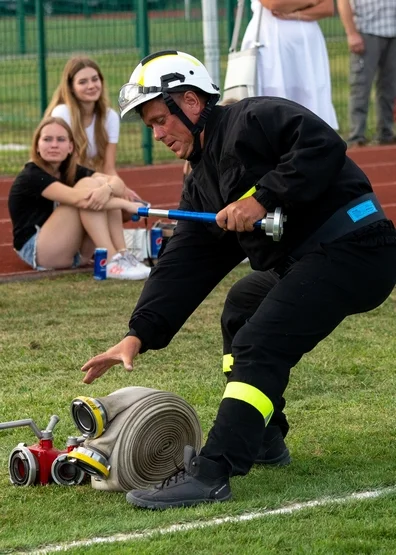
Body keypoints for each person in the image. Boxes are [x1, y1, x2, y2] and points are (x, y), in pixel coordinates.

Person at [81, 50, 396, 509]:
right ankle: (266, 436)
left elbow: (322, 144)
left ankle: (212, 472)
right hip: (310, 262)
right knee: (243, 306)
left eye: (159, 120)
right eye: (150, 126)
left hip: (358, 249)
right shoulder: (201, 179)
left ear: (190, 101)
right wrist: (138, 333)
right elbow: (186, 261)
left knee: (259, 343)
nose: (158, 134)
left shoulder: (255, 117)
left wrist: (261, 199)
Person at [8, 116, 151, 280]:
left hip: (75, 252)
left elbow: (116, 182)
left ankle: (122, 255)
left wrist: (108, 188)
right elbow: (81, 200)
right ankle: (111, 260)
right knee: (88, 189)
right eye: (47, 139)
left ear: (70, 147)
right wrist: (126, 204)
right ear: (37, 146)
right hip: (39, 251)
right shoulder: (32, 175)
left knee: (97, 184)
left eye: (60, 140)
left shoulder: (69, 169)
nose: (54, 145)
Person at [44, 55, 141, 207]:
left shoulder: (110, 117)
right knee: (102, 197)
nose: (91, 86)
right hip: (63, 182)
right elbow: (69, 166)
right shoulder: (62, 113)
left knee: (127, 207)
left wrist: (123, 189)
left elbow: (109, 167)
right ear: (71, 87)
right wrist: (103, 185)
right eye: (83, 82)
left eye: (95, 79)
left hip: (88, 179)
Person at [241, 0, 338, 128]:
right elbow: (274, 4)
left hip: (308, 48)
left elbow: (328, 7)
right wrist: (312, 1)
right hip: (271, 44)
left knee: (310, 100)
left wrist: (295, 14)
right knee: (274, 100)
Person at [337, 0, 396, 147]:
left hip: (393, 32)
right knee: (361, 87)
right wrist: (351, 33)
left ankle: (386, 134)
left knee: (390, 88)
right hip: (366, 32)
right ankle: (356, 136)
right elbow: (343, 2)